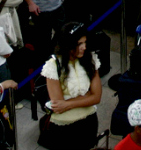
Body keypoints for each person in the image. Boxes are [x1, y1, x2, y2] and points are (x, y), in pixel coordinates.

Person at [38, 22, 103, 150]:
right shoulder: (53, 66)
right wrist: (87, 96)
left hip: (88, 123)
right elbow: (58, 106)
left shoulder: (91, 60)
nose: (84, 47)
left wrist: (67, 103)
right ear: (68, 44)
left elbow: (97, 98)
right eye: (79, 44)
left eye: (85, 42)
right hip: (64, 129)